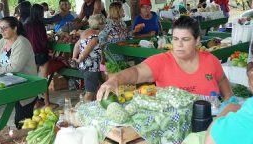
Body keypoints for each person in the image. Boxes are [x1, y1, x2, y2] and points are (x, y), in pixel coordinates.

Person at [97, 16, 233, 100]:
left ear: (197, 40)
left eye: (185, 39)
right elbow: (136, 72)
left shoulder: (211, 61)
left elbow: (222, 81)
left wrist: (228, 102)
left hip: (209, 127)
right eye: (175, 39)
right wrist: (115, 80)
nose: (179, 44)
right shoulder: (162, 61)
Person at [0, 16, 37, 128]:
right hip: (10, 83)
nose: (1, 31)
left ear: (15, 28)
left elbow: (15, 67)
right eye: (0, 28)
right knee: (17, 118)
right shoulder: (2, 41)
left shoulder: (22, 43)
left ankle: (27, 142)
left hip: (26, 86)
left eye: (5, 28)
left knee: (22, 121)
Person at [25, 4, 57, 109]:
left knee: (33, 80)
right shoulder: (39, 24)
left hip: (30, 54)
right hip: (41, 54)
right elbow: (43, 40)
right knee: (43, 80)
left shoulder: (26, 24)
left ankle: (36, 102)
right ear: (40, 13)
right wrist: (49, 48)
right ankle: (47, 103)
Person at [73, 14, 106, 101]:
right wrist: (79, 60)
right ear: (101, 24)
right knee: (90, 92)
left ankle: (93, 106)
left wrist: (74, 58)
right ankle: (82, 109)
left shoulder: (84, 33)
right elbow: (85, 52)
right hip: (90, 68)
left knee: (95, 89)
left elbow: (77, 46)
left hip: (86, 67)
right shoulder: (94, 38)